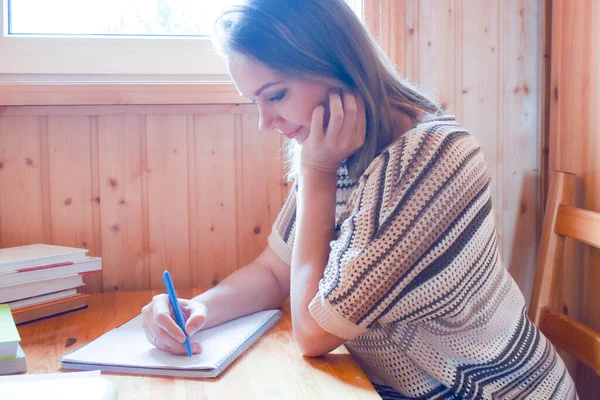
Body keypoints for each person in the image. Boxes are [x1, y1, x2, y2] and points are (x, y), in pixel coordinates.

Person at [141, 1, 577, 398]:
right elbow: (275, 271)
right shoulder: (334, 150)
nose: (265, 121)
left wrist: (316, 174)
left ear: (335, 66)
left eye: (275, 95)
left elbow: (313, 332)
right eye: (254, 101)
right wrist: (195, 309)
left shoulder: (431, 159)